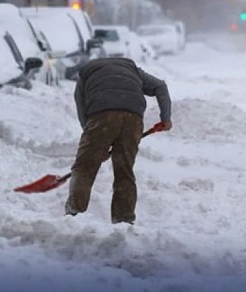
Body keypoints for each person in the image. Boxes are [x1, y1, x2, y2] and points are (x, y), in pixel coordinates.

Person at [65, 57, 172, 225]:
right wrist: (166, 118)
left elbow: (82, 110)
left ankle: (74, 216)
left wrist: (96, 144)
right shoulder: (133, 70)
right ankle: (124, 220)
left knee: (84, 168)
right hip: (132, 118)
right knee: (124, 170)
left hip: (102, 116)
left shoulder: (86, 74)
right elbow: (160, 86)